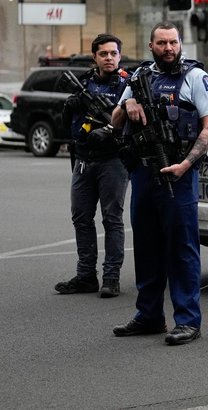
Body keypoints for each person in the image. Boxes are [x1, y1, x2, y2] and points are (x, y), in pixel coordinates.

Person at [110, 22, 208, 346]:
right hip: (144, 173)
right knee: (146, 247)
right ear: (151, 46)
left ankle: (187, 321)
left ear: (180, 44)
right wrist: (126, 104)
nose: (168, 48)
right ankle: (149, 316)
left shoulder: (195, 78)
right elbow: (114, 121)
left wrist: (186, 164)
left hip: (179, 175)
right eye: (161, 43)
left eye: (173, 42)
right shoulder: (139, 76)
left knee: (182, 249)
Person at [55, 34, 130, 298]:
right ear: (94, 57)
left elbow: (136, 121)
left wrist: (110, 130)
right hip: (84, 159)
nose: (109, 58)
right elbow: (68, 126)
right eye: (103, 54)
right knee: (81, 217)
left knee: (112, 219)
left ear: (119, 56)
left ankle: (111, 278)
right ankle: (86, 276)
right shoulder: (84, 83)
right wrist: (69, 108)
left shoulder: (129, 85)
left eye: (113, 53)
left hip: (113, 160)